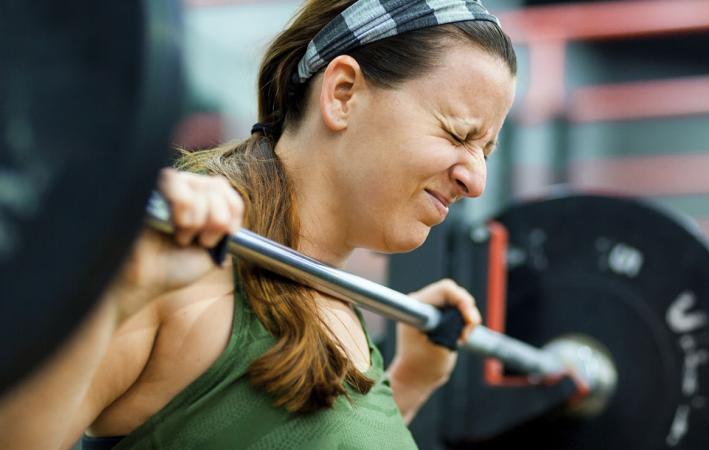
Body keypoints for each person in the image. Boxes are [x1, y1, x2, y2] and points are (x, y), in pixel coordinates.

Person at [0, 0, 517, 448]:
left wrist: (410, 380)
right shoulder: (188, 267)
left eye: (487, 151)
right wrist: (124, 291)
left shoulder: (337, 305)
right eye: (458, 135)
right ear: (341, 94)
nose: (476, 180)